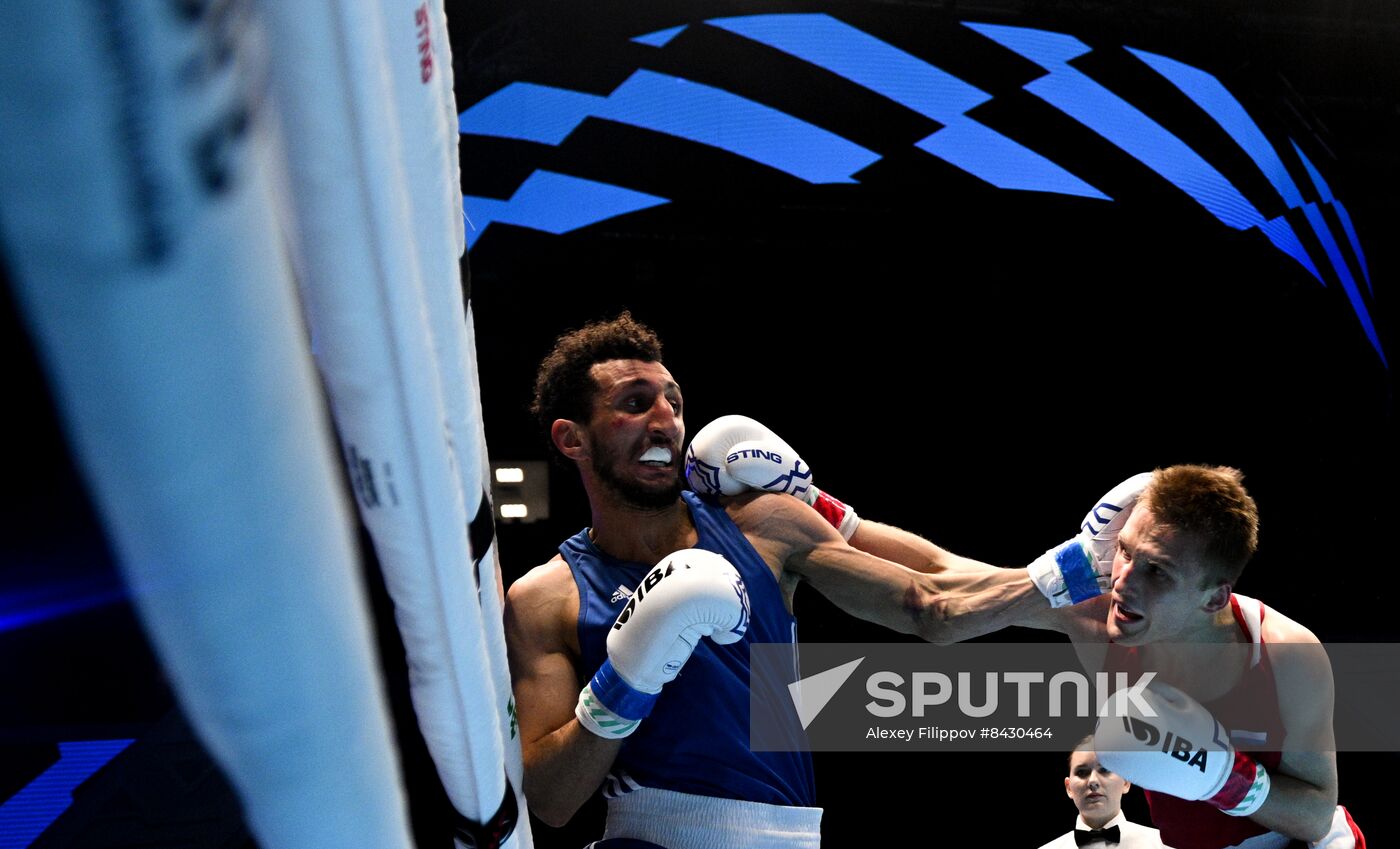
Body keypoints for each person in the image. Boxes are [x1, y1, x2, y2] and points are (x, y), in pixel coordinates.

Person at [502, 313, 1051, 848]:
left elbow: (928, 604)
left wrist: (1079, 578)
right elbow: (551, 801)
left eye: (674, 400)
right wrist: (626, 682)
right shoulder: (545, 599)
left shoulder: (762, 522)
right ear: (572, 439)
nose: (665, 420)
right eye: (634, 403)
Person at [1037, 737, 1169, 849]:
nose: (1093, 781)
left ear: (1126, 782)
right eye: (1082, 772)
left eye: (1105, 770)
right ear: (1069, 788)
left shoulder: (1163, 845)